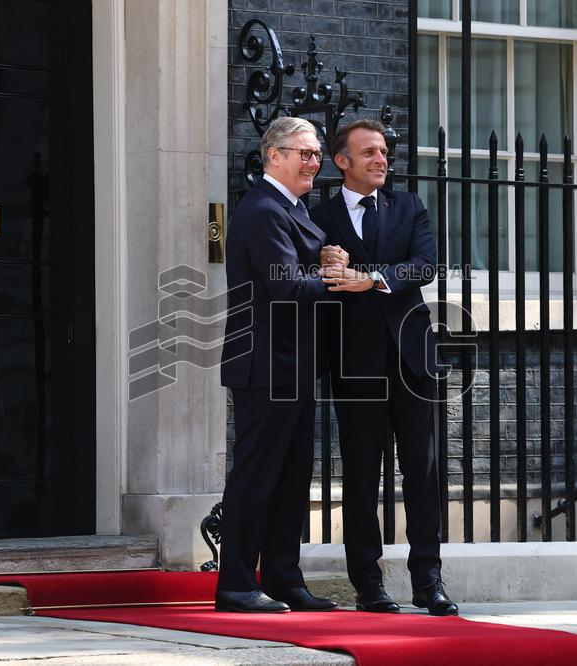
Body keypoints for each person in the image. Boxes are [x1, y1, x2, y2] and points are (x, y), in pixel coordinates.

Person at [311, 119, 458, 616]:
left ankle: (428, 580)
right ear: (342, 161)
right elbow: (310, 273)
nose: (382, 159)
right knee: (359, 476)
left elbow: (424, 267)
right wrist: (326, 262)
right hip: (354, 363)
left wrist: (369, 279)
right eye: (369, 152)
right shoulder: (319, 214)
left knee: (423, 472)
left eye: (384, 151)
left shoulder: (409, 206)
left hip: (412, 360)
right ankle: (368, 584)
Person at [216, 116, 338, 613]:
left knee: (291, 480)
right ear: (274, 155)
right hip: (267, 366)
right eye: (304, 153)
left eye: (316, 154)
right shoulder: (264, 209)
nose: (314, 161)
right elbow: (286, 287)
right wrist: (333, 275)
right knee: (256, 477)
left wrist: (322, 259)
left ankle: (285, 579)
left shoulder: (290, 208)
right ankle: (237, 584)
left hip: (293, 366)